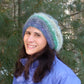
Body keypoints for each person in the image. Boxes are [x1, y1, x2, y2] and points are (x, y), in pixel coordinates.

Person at [12, 12, 81, 84]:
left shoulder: (64, 76)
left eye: (37, 35)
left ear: (49, 41)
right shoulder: (22, 68)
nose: (29, 39)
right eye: (28, 33)